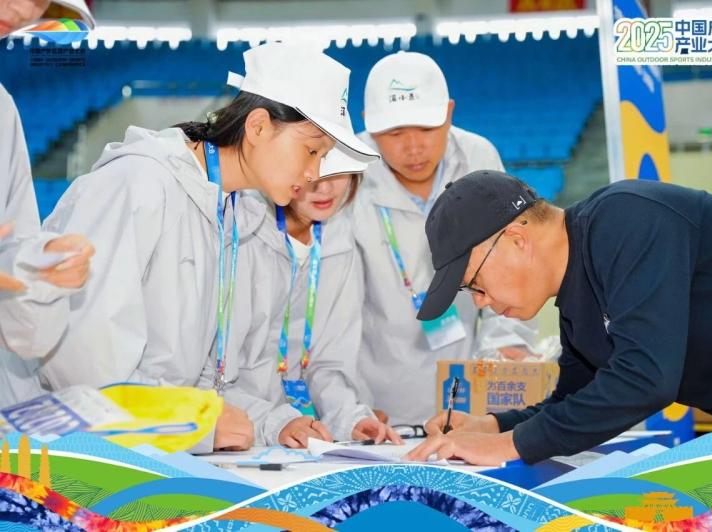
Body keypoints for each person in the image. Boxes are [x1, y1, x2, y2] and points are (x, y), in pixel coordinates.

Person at [37, 43, 379, 451]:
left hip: (149, 451)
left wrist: (273, 421)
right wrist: (192, 427)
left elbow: (200, 378)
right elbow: (82, 365)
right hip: (74, 458)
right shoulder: (138, 184)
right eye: (311, 151)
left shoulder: (232, 215)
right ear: (258, 127)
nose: (313, 173)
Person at [406, 171, 712, 466]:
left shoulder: (627, 217)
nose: (480, 302)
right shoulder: (577, 300)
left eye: (475, 284)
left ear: (516, 240)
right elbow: (573, 402)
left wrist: (507, 446)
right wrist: (495, 426)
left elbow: (645, 379)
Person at [352, 51, 539, 428]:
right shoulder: (348, 172)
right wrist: (349, 404)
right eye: (394, 133)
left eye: (426, 128)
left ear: (449, 112)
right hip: (377, 401)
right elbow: (333, 305)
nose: (413, 147)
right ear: (369, 125)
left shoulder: (478, 158)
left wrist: (507, 345)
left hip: (468, 392)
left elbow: (511, 266)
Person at [221, 173, 401, 445]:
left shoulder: (338, 237)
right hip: (235, 432)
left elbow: (329, 362)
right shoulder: (241, 230)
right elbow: (215, 375)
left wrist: (348, 419)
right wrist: (273, 423)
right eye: (314, 171)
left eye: (338, 173)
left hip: (298, 437)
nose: (324, 188)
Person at [0, 0, 95, 406]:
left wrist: (39, 267)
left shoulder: (2, 110)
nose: (24, 10)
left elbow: (9, 264)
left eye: (41, 0)